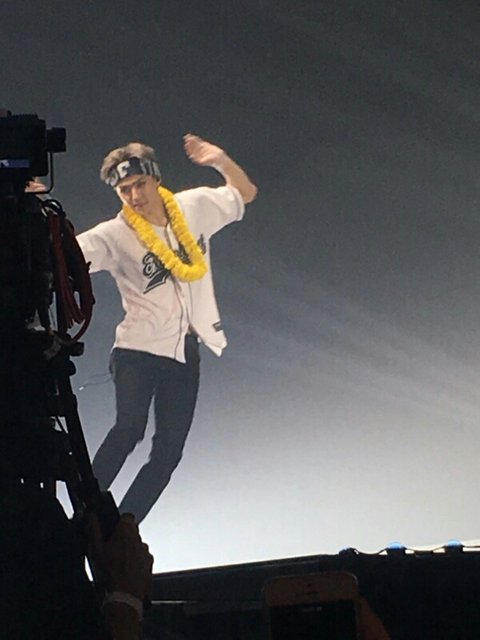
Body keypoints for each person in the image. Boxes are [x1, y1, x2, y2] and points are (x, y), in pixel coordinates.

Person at [77, 134, 257, 523]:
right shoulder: (114, 234)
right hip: (137, 350)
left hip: (185, 351)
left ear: (155, 178)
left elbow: (245, 193)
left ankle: (122, 530)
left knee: (169, 453)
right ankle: (81, 515)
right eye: (124, 189)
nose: (134, 195)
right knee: (129, 429)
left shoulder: (193, 207)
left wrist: (220, 160)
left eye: (139, 184)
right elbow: (64, 253)